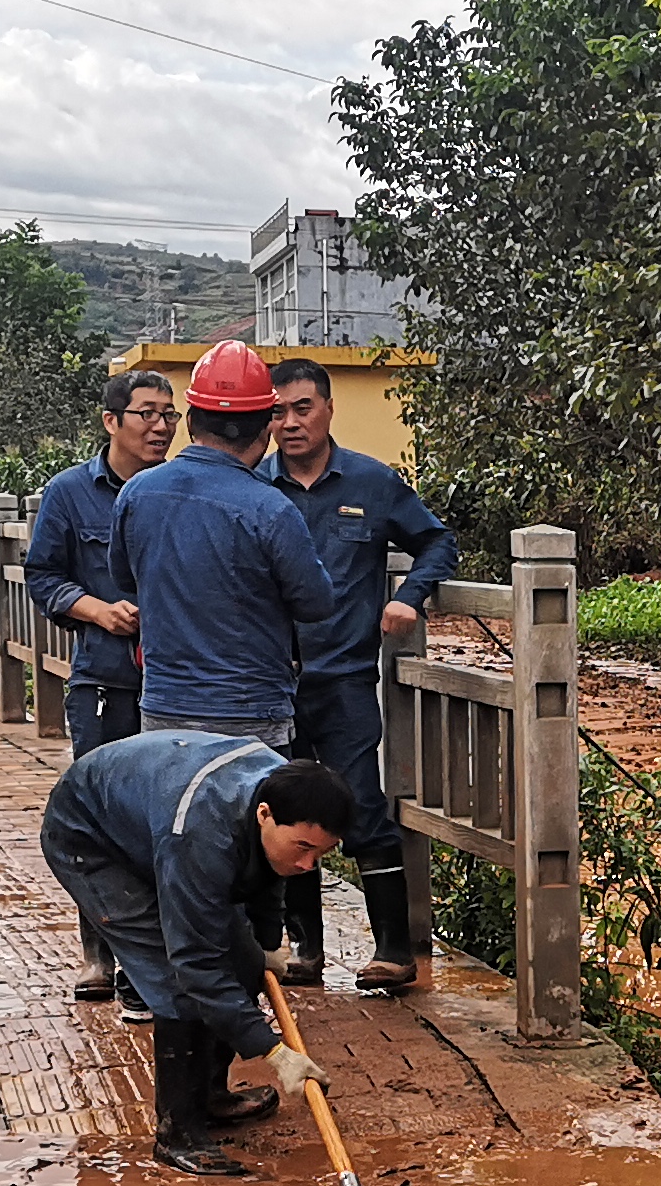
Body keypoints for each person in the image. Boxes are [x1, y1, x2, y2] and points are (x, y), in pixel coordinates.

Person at [41, 740, 353, 1175]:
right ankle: (178, 1133)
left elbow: (271, 873)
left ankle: (209, 1095)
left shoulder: (287, 792)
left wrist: (264, 945)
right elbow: (195, 964)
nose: (308, 864)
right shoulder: (202, 833)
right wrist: (274, 1053)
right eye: (302, 847)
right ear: (264, 814)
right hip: (91, 838)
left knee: (243, 963)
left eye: (321, 853)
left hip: (153, 821)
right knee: (177, 982)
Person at [265, 353, 454, 989]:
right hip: (272, 684)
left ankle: (395, 951)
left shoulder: (371, 483)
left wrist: (410, 595)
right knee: (283, 809)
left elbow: (437, 541)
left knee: (363, 803)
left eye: (303, 408)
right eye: (278, 412)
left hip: (344, 680)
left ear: (328, 408)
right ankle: (305, 951)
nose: (291, 423)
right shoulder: (256, 488)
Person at [26, 364, 177, 998]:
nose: (161, 427)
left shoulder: (178, 488)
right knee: (99, 815)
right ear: (112, 421)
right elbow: (42, 577)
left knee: (165, 819)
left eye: (169, 415)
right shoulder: (69, 493)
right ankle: (99, 953)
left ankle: (162, 956)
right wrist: (97, 610)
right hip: (104, 682)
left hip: (175, 684)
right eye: (147, 414)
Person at [123, 340, 323, 747]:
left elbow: (125, 577)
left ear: (191, 420)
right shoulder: (272, 509)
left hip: (165, 712)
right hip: (251, 717)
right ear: (265, 428)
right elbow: (316, 602)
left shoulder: (137, 493)